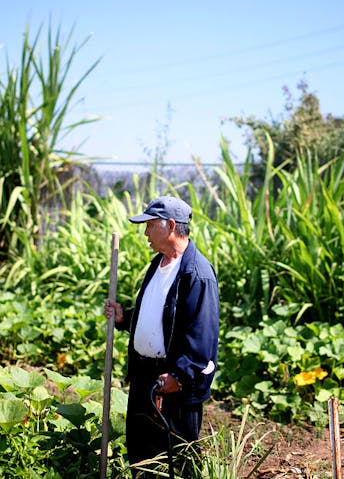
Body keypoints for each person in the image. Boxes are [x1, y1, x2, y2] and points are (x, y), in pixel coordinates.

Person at [104, 195, 220, 477]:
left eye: (149, 225)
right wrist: (125, 318)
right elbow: (158, 315)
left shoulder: (197, 274)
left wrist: (178, 377)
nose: (145, 232)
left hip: (172, 386)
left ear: (170, 226)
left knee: (175, 462)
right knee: (142, 458)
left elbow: (202, 336)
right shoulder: (158, 264)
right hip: (145, 377)